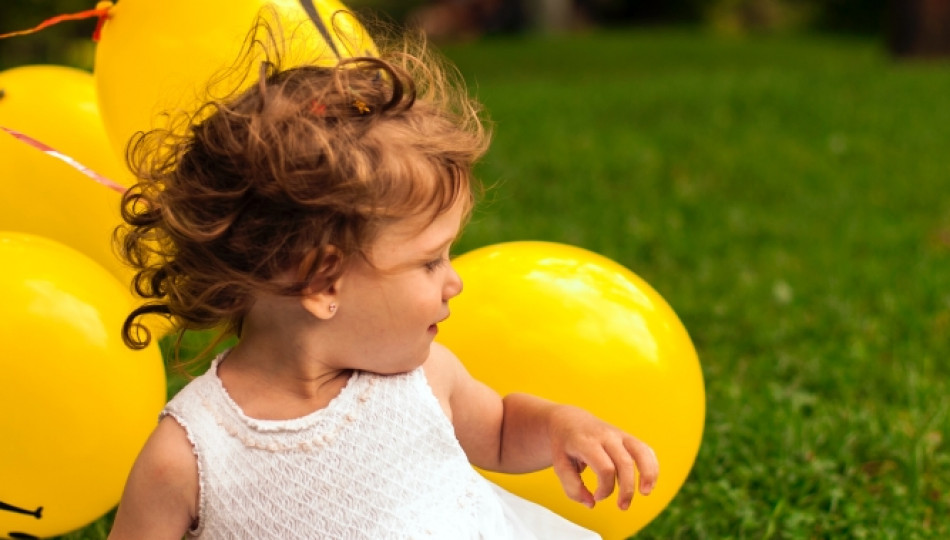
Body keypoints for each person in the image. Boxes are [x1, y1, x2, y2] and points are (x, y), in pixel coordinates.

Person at [107, 16, 658, 540]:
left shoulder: (421, 379)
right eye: (429, 261)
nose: (454, 281)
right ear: (323, 284)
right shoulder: (190, 456)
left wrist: (564, 427)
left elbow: (501, 428)